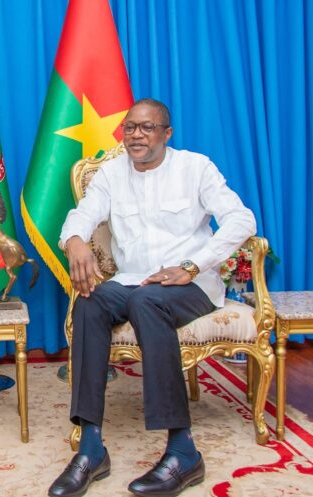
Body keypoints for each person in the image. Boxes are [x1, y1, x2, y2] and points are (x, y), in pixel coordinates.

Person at [50, 98, 256, 497]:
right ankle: (90, 448)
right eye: (130, 127)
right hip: (132, 281)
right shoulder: (111, 174)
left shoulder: (195, 168)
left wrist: (193, 266)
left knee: (147, 302)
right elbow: (83, 214)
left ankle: (183, 451)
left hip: (190, 285)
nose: (136, 135)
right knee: (90, 299)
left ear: (166, 133)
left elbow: (241, 219)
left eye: (147, 127)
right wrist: (74, 240)